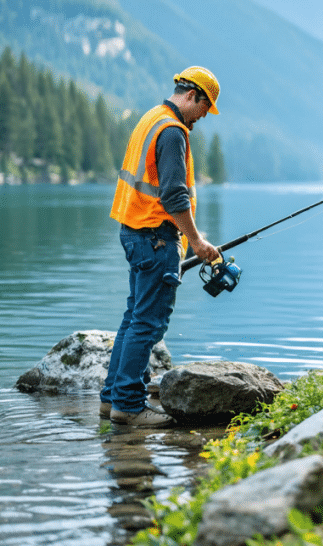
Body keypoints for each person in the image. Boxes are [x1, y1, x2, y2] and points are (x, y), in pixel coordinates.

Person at [101, 66, 222, 427]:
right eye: (205, 108)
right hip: (156, 238)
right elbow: (173, 195)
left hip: (135, 232)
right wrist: (196, 240)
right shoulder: (172, 131)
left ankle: (111, 400)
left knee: (134, 318)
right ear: (192, 95)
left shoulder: (150, 118)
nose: (203, 116)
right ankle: (128, 406)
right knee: (148, 324)